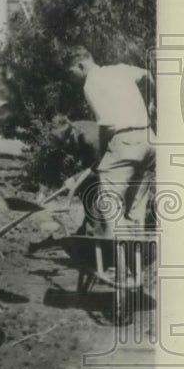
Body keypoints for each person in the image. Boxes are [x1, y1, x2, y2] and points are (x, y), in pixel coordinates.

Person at [66, 46, 155, 234]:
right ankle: (134, 261)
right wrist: (150, 103)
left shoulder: (90, 84)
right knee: (135, 210)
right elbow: (147, 75)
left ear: (81, 65)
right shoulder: (120, 69)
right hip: (149, 141)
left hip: (125, 143)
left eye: (70, 72)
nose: (71, 78)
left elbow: (107, 126)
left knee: (111, 208)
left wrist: (102, 156)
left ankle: (118, 260)